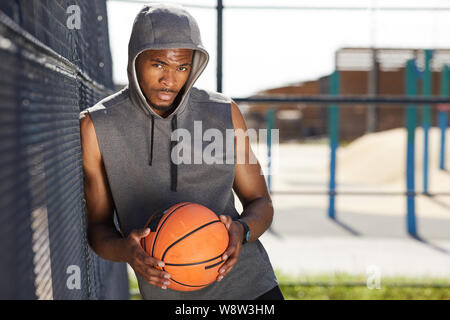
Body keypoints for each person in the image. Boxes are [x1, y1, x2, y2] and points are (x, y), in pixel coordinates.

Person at [79, 3, 283, 300]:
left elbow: (261, 201)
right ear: (135, 60)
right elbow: (98, 227)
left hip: (249, 288)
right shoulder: (97, 126)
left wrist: (241, 231)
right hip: (168, 294)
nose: (170, 80)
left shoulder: (225, 113)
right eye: (159, 64)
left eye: (182, 67)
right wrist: (127, 251)